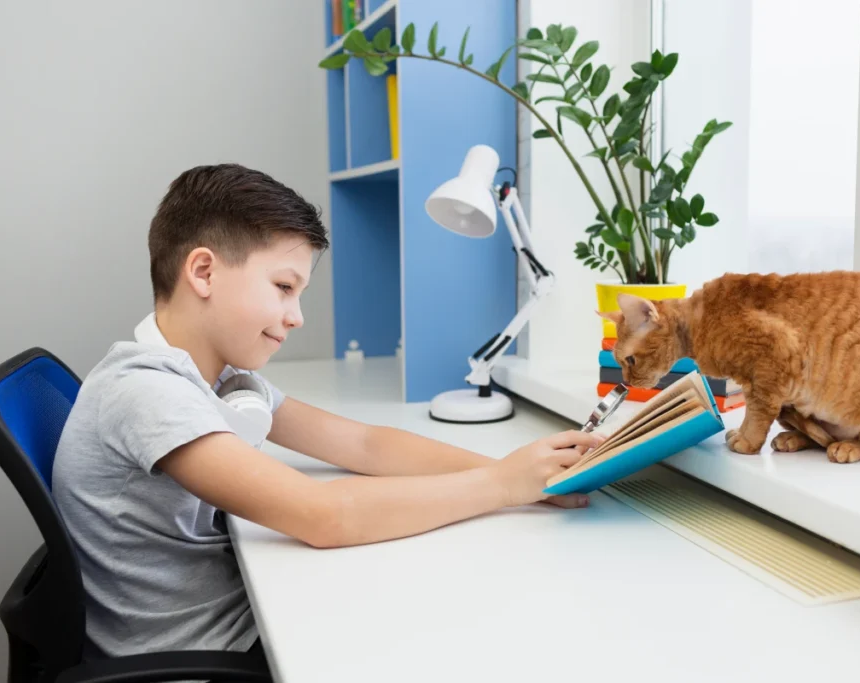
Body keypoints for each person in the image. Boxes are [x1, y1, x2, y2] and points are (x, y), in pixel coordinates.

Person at [51, 163, 602, 662]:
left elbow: (364, 444)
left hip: (229, 621)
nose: (297, 317)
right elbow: (323, 515)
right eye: (284, 287)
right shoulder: (148, 392)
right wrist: (502, 487)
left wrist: (512, 470)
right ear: (203, 272)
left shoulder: (217, 379)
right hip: (203, 654)